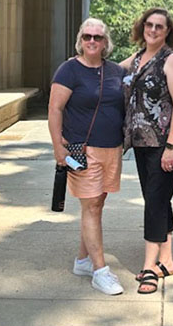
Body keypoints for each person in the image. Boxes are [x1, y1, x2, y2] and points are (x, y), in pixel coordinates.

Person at [48, 18, 126, 295]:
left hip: (112, 148)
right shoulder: (69, 70)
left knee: (97, 204)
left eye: (98, 37)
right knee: (91, 205)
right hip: (82, 149)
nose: (92, 41)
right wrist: (59, 147)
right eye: (87, 36)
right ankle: (100, 271)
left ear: (106, 43)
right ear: (80, 40)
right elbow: (55, 109)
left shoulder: (115, 71)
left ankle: (82, 260)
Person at [120, 8, 173, 294]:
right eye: (149, 24)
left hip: (164, 143)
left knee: (154, 202)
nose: (153, 30)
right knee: (156, 198)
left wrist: (171, 146)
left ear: (168, 31)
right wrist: (80, 63)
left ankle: (149, 267)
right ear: (142, 27)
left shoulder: (172, 60)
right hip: (141, 142)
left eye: (160, 26)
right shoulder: (137, 58)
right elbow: (110, 70)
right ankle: (167, 260)